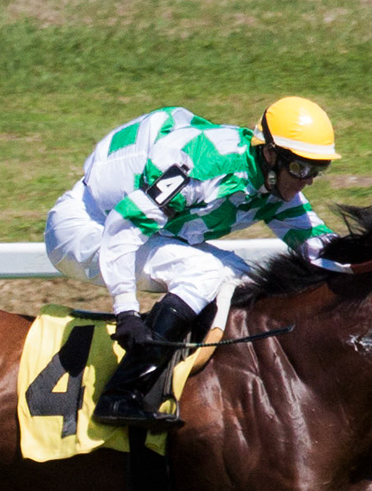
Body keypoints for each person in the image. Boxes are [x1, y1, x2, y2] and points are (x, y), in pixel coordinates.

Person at [42, 98, 340, 427]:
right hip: (86, 227)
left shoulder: (272, 184)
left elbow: (322, 249)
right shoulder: (202, 164)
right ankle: (123, 392)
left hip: (137, 229)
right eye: (301, 167)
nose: (308, 179)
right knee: (205, 271)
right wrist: (126, 310)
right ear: (270, 153)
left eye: (318, 169)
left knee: (240, 275)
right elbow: (123, 227)